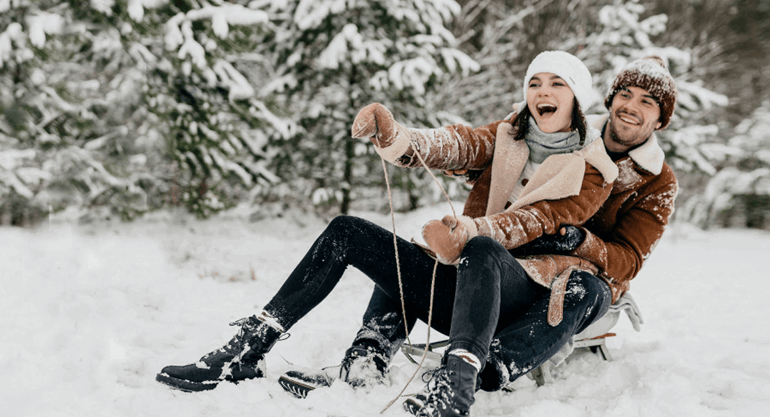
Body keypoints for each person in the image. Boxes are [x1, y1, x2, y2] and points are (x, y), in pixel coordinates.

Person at [155, 52, 617, 416]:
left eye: (558, 83)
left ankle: (457, 386)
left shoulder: (594, 170)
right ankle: (249, 348)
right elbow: (454, 143)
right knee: (347, 231)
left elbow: (535, 220)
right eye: (535, 82)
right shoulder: (506, 136)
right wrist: (396, 137)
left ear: (577, 98)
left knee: (482, 247)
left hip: (516, 298)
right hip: (464, 289)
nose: (543, 92)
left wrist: (470, 231)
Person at [413, 56, 680, 410]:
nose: (631, 106)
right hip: (524, 254)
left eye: (647, 102)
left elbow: (628, 259)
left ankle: (491, 367)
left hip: (586, 275)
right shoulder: (573, 134)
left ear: (660, 119)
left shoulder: (659, 181)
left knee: (588, 290)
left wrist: (581, 243)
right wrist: (475, 170)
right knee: (449, 255)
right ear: (610, 99)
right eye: (626, 94)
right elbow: (514, 156)